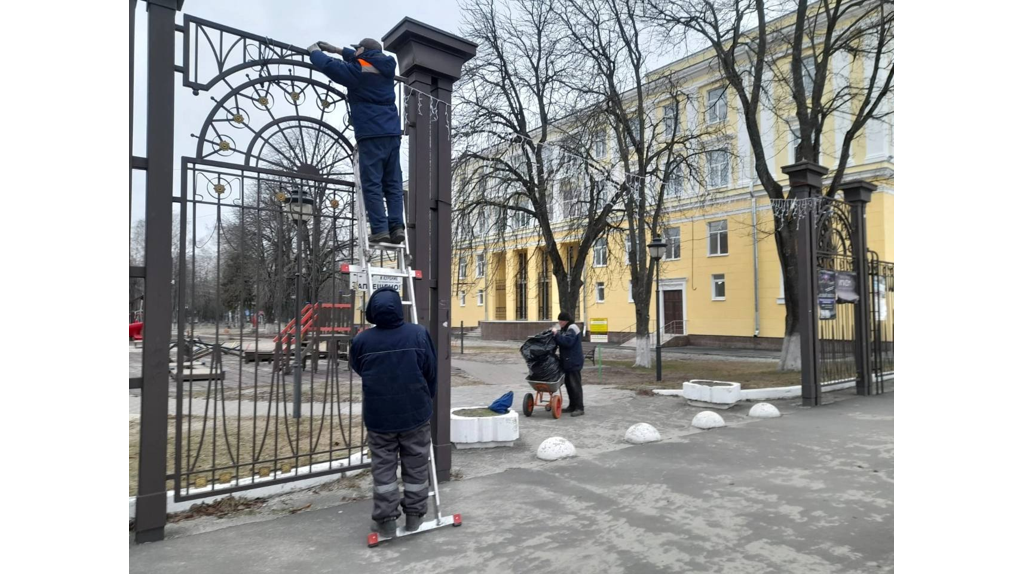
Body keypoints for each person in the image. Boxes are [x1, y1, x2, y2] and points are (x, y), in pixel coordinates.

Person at [350, 287, 437, 536]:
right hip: (415, 414)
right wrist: (423, 399)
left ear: (372, 312)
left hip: (379, 417)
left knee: (383, 468)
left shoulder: (362, 340)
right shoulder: (418, 334)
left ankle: (386, 521)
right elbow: (430, 372)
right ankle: (414, 517)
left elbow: (359, 367)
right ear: (400, 308)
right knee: (417, 465)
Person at [308, 39, 405, 245]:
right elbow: (361, 59)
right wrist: (337, 49)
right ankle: (397, 227)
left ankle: (380, 230)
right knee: (393, 183)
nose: (355, 52)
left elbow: (330, 67)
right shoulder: (386, 67)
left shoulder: (358, 70)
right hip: (392, 133)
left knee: (372, 183)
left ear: (363, 51)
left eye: (357, 49)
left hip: (371, 133)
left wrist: (315, 52)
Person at [552, 311, 585, 417]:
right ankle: (572, 406)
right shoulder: (566, 328)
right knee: (569, 385)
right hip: (567, 361)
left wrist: (556, 334)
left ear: (565, 321)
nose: (559, 323)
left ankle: (579, 408)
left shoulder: (572, 328)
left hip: (573, 362)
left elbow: (567, 342)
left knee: (575, 385)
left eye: (560, 321)